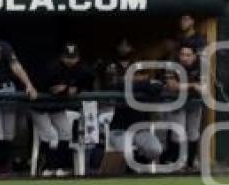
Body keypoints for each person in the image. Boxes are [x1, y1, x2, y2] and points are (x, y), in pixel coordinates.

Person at [96, 38, 164, 168]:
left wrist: (137, 82)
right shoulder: (112, 67)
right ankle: (128, 173)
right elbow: (115, 84)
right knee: (126, 151)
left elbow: (158, 86)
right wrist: (141, 83)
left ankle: (140, 170)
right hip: (119, 130)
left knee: (155, 149)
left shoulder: (141, 74)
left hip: (140, 130)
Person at [0, 20, 38, 176]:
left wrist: (29, 84)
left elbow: (15, 66)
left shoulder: (1, 45)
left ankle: (6, 168)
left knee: (8, 133)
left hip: (6, 89)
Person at [31, 43, 94, 177]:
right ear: (62, 57)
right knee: (50, 136)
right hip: (40, 107)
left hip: (57, 108)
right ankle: (46, 168)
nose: (71, 61)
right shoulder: (52, 68)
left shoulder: (82, 68)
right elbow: (53, 89)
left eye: (73, 57)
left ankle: (60, 167)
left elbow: (88, 82)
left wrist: (76, 88)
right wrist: (66, 89)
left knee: (66, 133)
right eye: (68, 57)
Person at [163, 44, 204, 171]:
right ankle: (175, 162)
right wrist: (192, 86)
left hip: (193, 103)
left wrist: (198, 87)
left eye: (188, 55)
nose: (184, 58)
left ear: (194, 56)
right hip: (175, 102)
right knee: (178, 133)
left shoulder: (201, 66)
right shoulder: (172, 66)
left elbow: (205, 86)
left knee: (193, 133)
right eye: (182, 54)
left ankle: (191, 162)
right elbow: (172, 86)